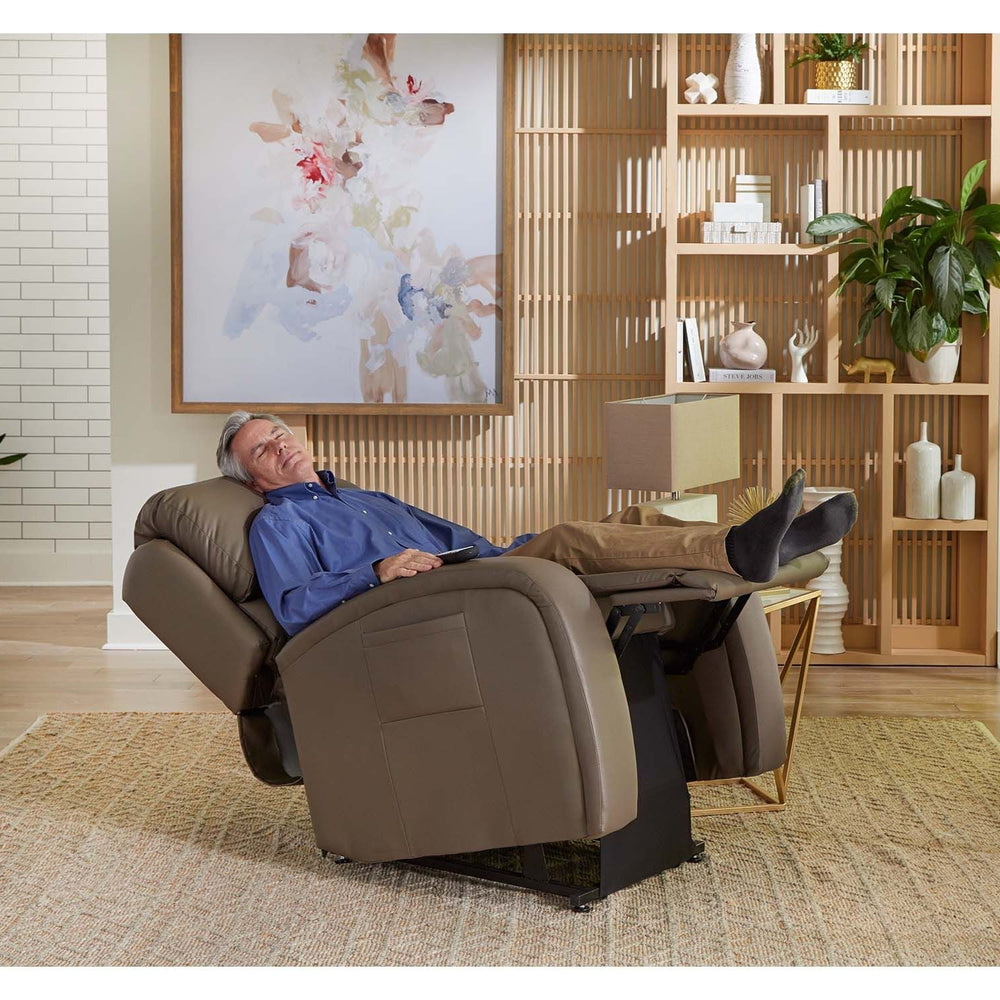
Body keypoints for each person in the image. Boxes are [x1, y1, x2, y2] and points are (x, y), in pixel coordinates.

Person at [217, 411, 857, 636]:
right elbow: (297, 605)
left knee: (628, 517)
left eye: (278, 433)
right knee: (575, 540)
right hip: (433, 600)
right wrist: (375, 570)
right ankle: (742, 549)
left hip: (475, 566)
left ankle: (763, 545)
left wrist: (497, 550)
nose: (279, 446)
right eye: (261, 451)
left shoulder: (356, 496)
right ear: (252, 480)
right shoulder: (277, 524)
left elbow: (449, 536)